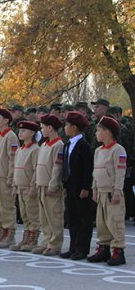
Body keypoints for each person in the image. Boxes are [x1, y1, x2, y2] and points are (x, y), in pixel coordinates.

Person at [87, 116, 127, 266]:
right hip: (101, 191)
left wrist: (117, 190)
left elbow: (120, 172)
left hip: (111, 192)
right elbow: (95, 172)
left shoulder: (118, 150)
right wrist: (94, 189)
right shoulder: (98, 151)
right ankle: (103, 248)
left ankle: (118, 251)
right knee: (102, 222)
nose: (96, 133)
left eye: (99, 130)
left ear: (108, 132)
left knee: (114, 222)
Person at [60, 111, 94, 260]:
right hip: (70, 186)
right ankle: (73, 247)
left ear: (74, 127)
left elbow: (87, 168)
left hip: (81, 188)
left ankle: (82, 249)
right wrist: (65, 185)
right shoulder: (68, 144)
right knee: (72, 217)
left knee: (83, 219)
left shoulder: (84, 146)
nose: (65, 128)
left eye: (67, 125)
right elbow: (65, 166)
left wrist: (86, 187)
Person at [33, 114, 64, 256]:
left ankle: (55, 243)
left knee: (54, 216)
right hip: (41, 184)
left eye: (43, 127)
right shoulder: (44, 145)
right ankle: (46, 240)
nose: (41, 130)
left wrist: (53, 184)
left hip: (51, 187)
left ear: (50, 128)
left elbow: (57, 167)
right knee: (44, 216)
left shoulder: (58, 145)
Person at [0, 108, 19, 248]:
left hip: (5, 176)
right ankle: (0, 231)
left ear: (6, 120)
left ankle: (10, 234)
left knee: (7, 206)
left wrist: (11, 177)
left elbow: (13, 158)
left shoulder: (10, 136)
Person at [10, 121, 40, 252]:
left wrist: (33, 186)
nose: (20, 133)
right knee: (24, 214)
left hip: (29, 187)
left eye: (24, 131)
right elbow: (16, 168)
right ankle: (26, 237)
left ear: (32, 133)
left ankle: (33, 238)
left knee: (32, 214)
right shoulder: (20, 150)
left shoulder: (35, 149)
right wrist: (14, 186)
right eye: (20, 131)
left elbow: (35, 170)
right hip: (20, 187)